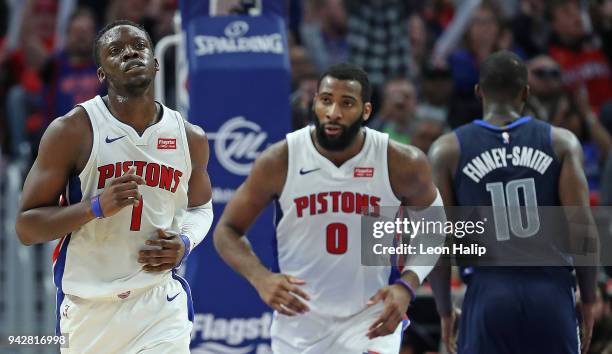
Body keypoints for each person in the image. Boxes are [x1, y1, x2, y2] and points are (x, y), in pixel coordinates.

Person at [213, 63, 446, 353]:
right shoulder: (280, 160)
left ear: (366, 111)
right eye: (326, 100)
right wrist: (260, 277)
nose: (333, 112)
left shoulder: (400, 162)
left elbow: (435, 228)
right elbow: (226, 231)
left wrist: (407, 286)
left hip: (372, 320)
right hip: (298, 325)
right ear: (315, 103)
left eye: (346, 103)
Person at [15, 20, 214, 353]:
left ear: (154, 62)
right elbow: (26, 227)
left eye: (138, 46)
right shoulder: (72, 131)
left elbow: (200, 207)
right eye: (115, 50)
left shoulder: (189, 137)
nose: (130, 53)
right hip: (89, 308)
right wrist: (94, 207)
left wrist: (185, 241)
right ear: (101, 74)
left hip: (158, 305)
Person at [428, 51, 598, 354]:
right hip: (550, 291)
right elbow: (583, 229)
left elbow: (436, 242)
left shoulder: (447, 149)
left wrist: (443, 310)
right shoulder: (561, 142)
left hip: (488, 292)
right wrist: (588, 299)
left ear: (479, 91)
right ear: (526, 93)